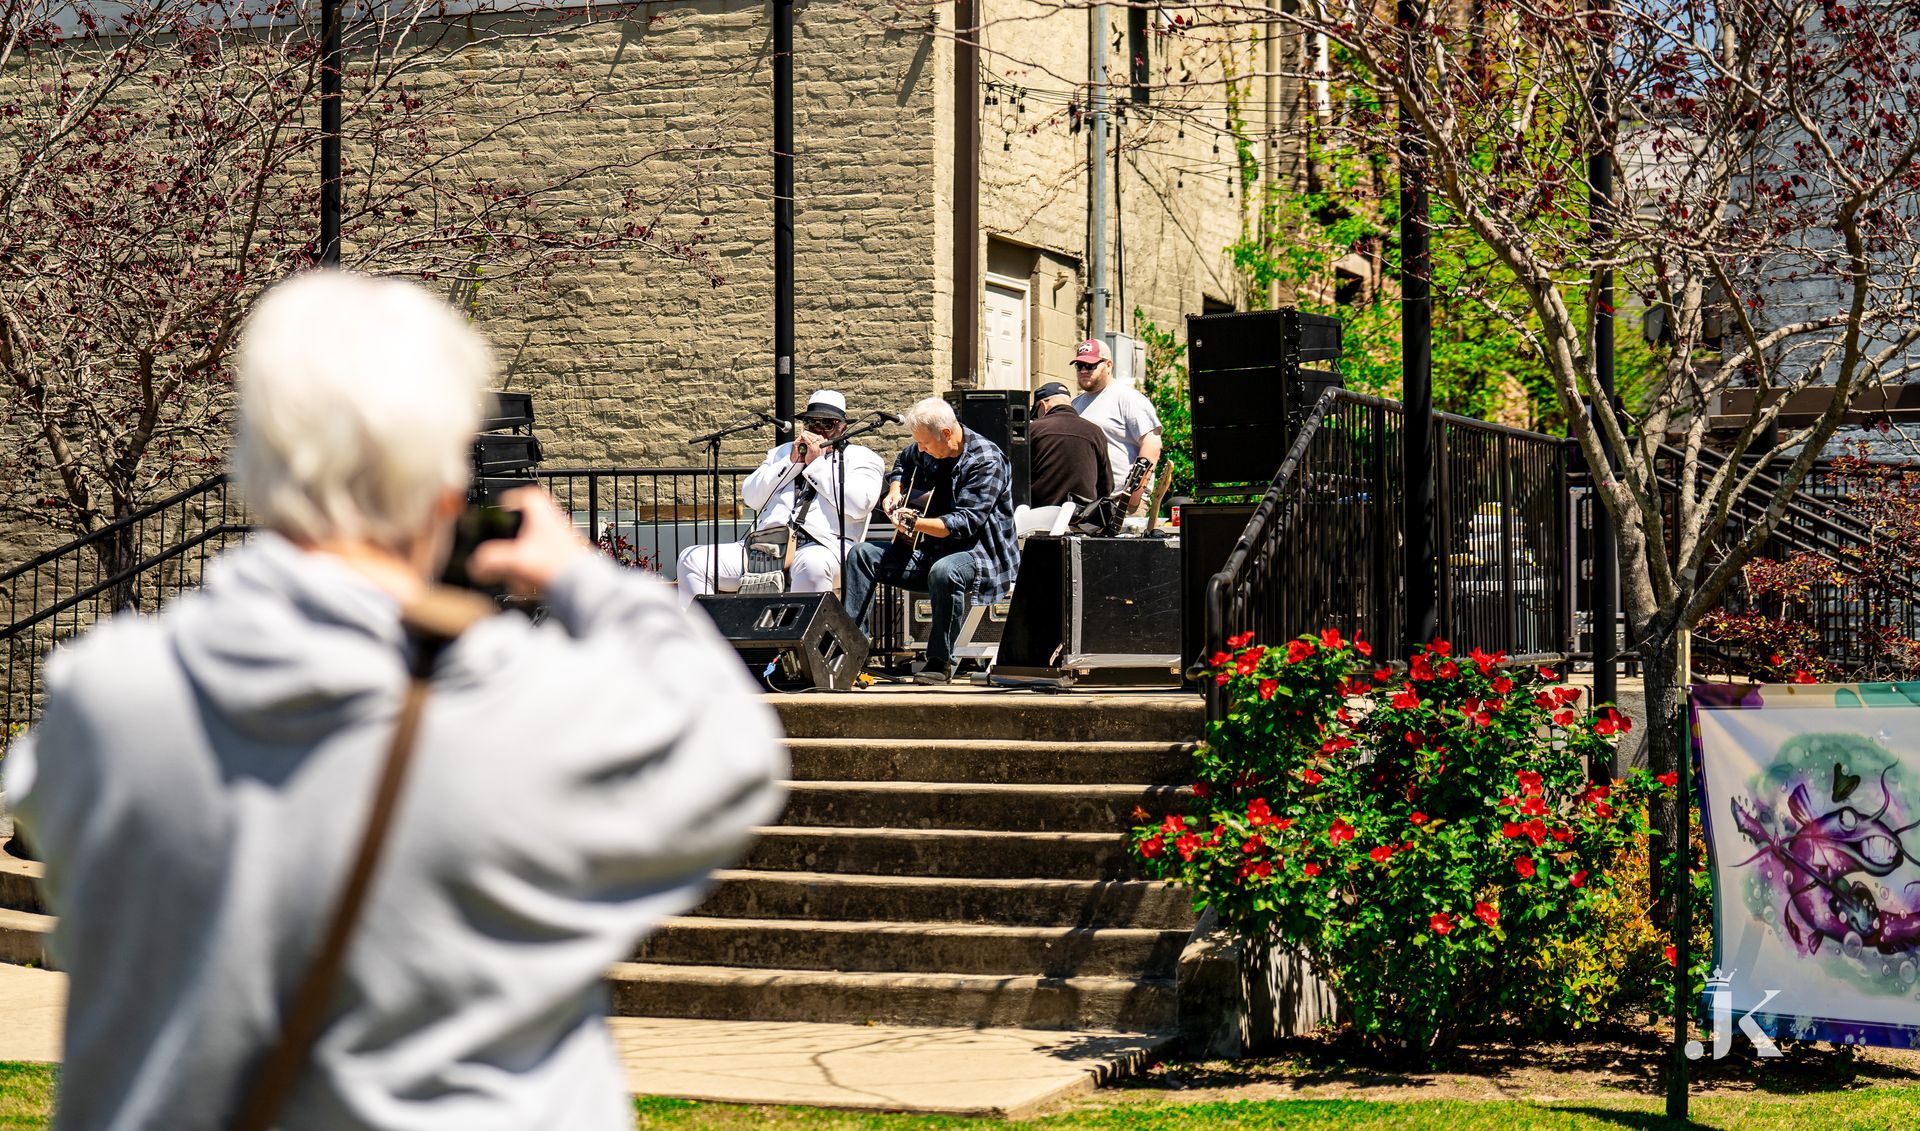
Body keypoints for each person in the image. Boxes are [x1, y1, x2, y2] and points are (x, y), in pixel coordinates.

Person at [0, 271, 786, 1131]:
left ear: (249, 458)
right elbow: (733, 745)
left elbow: (39, 803)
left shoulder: (104, 699)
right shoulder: (528, 716)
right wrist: (586, 579)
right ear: (448, 482)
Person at [840, 397, 1018, 684]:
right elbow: (903, 459)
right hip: (930, 550)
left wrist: (911, 521)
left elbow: (965, 524)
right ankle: (851, 653)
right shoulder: (928, 446)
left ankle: (940, 661)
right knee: (861, 554)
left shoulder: (986, 460)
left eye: (925, 444)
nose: (921, 449)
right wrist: (895, 490)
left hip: (979, 556)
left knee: (945, 571)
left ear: (946, 433)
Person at [676, 389, 883, 604]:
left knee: (812, 564)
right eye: (811, 423)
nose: (818, 430)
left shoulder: (862, 458)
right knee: (693, 559)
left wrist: (816, 465)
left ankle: (801, 638)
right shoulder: (782, 453)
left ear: (843, 427)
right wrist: (792, 462)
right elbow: (751, 498)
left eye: (827, 424)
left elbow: (859, 505)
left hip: (824, 547)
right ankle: (702, 636)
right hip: (767, 547)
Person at [1069, 338, 1163, 513]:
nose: (1083, 371)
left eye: (1090, 366)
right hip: (1087, 505)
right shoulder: (1075, 404)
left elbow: (1152, 445)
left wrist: (1133, 496)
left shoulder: (1127, 398)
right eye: (1079, 366)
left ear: (1108, 365)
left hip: (1121, 502)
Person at [1026, 380, 1112, 508]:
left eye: (1036, 413)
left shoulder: (1033, 429)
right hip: (1082, 519)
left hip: (1041, 518)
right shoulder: (1095, 432)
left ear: (1043, 405)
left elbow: (1019, 477)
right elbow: (1106, 485)